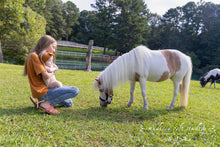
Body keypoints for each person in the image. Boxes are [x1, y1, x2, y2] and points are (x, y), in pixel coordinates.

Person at [23, 35, 79, 114]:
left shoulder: (40, 56)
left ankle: (43, 103)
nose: (54, 50)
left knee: (69, 103)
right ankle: (46, 104)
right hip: (42, 92)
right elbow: (46, 75)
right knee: (75, 90)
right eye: (53, 47)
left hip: (46, 90)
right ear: (46, 44)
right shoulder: (34, 56)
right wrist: (53, 71)